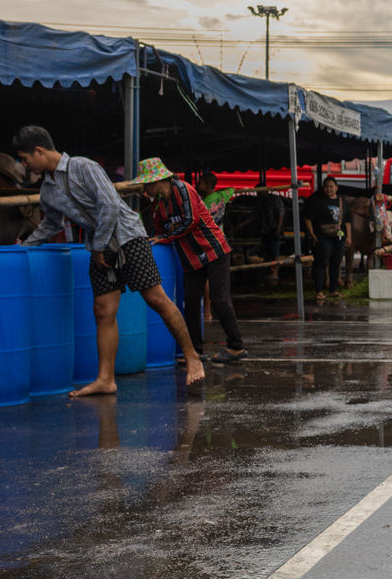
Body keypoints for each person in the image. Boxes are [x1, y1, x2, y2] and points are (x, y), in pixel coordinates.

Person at [13, 127, 205, 393]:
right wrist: (24, 247)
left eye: (24, 158)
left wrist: (100, 246)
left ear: (39, 150)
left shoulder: (83, 167)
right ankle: (106, 379)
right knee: (102, 311)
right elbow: (51, 224)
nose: (24, 164)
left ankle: (192, 357)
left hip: (128, 237)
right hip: (99, 246)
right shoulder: (47, 190)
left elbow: (111, 206)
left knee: (156, 299)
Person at [138, 158, 247, 365]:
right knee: (190, 303)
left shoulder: (182, 189)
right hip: (191, 259)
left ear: (156, 180)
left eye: (146, 184)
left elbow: (191, 220)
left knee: (219, 298)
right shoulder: (160, 204)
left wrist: (165, 237)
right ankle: (195, 351)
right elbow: (158, 232)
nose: (144, 188)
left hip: (214, 250)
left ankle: (236, 346)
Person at [305, 175, 347, 302]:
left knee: (336, 263)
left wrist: (349, 236)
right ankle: (319, 291)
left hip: (339, 237)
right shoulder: (318, 202)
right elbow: (308, 218)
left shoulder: (341, 201)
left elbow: (348, 220)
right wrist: (312, 233)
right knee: (321, 263)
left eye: (331, 187)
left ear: (336, 187)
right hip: (323, 237)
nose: (329, 189)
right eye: (326, 187)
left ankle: (333, 290)